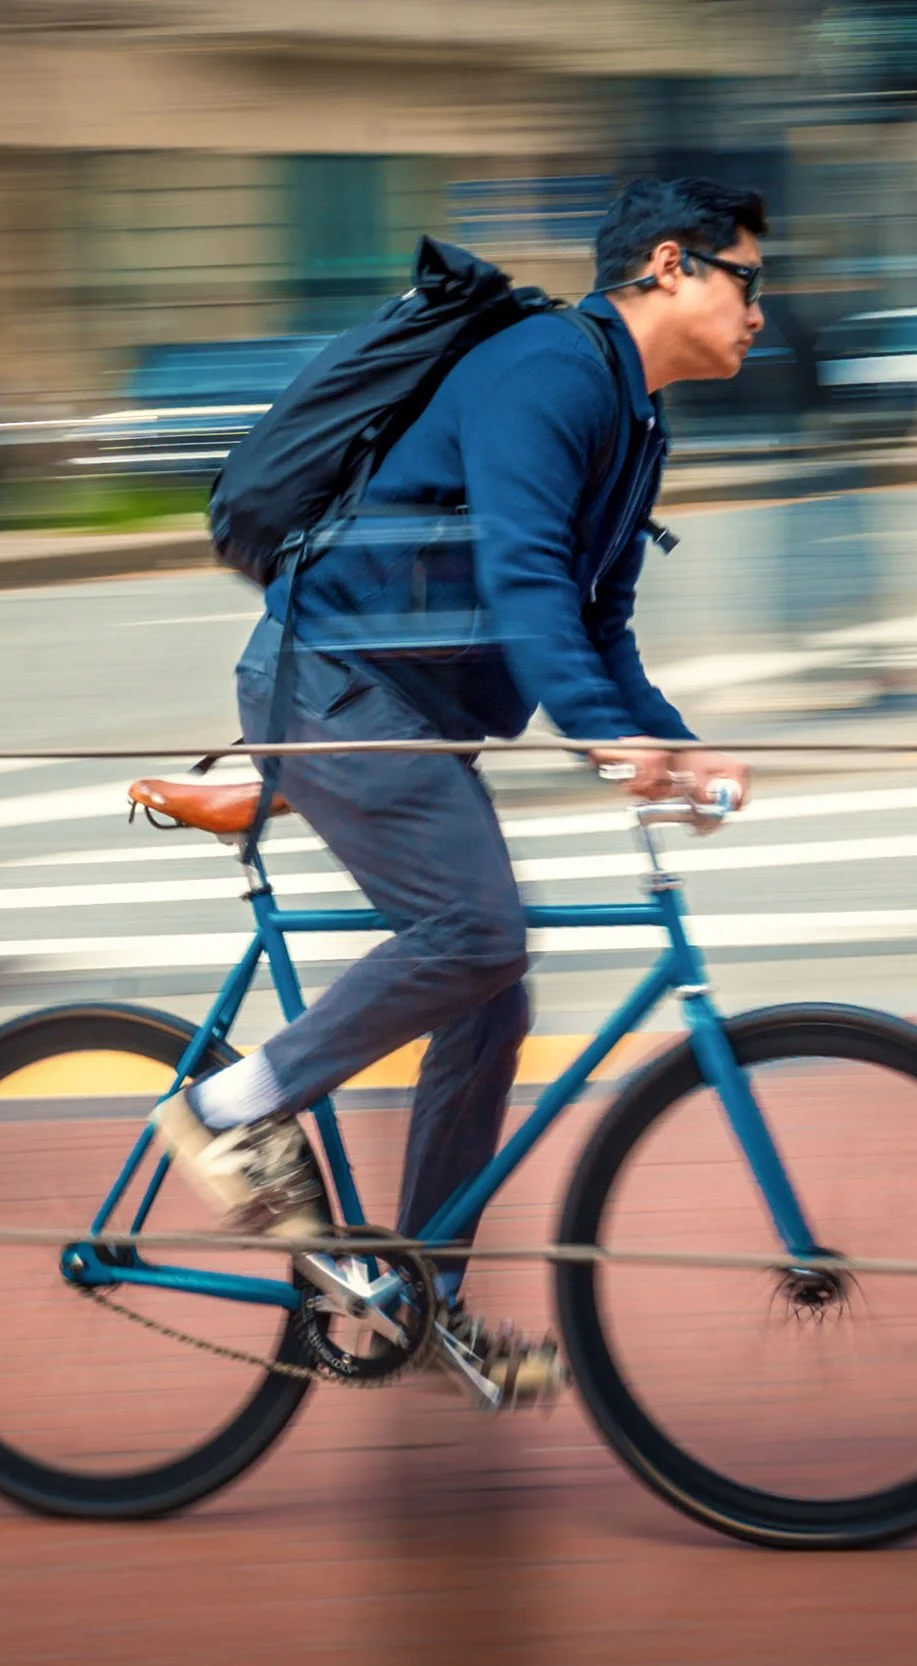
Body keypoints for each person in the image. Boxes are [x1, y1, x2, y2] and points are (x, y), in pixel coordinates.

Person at [152, 177, 768, 1401]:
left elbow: (601, 622)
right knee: (476, 928)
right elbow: (526, 575)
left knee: (490, 985)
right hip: (330, 689)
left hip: (408, 715)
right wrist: (604, 738)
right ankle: (232, 1109)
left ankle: (417, 1298)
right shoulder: (552, 371)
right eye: (748, 278)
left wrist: (675, 743)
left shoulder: (633, 418)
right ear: (669, 266)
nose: (763, 308)